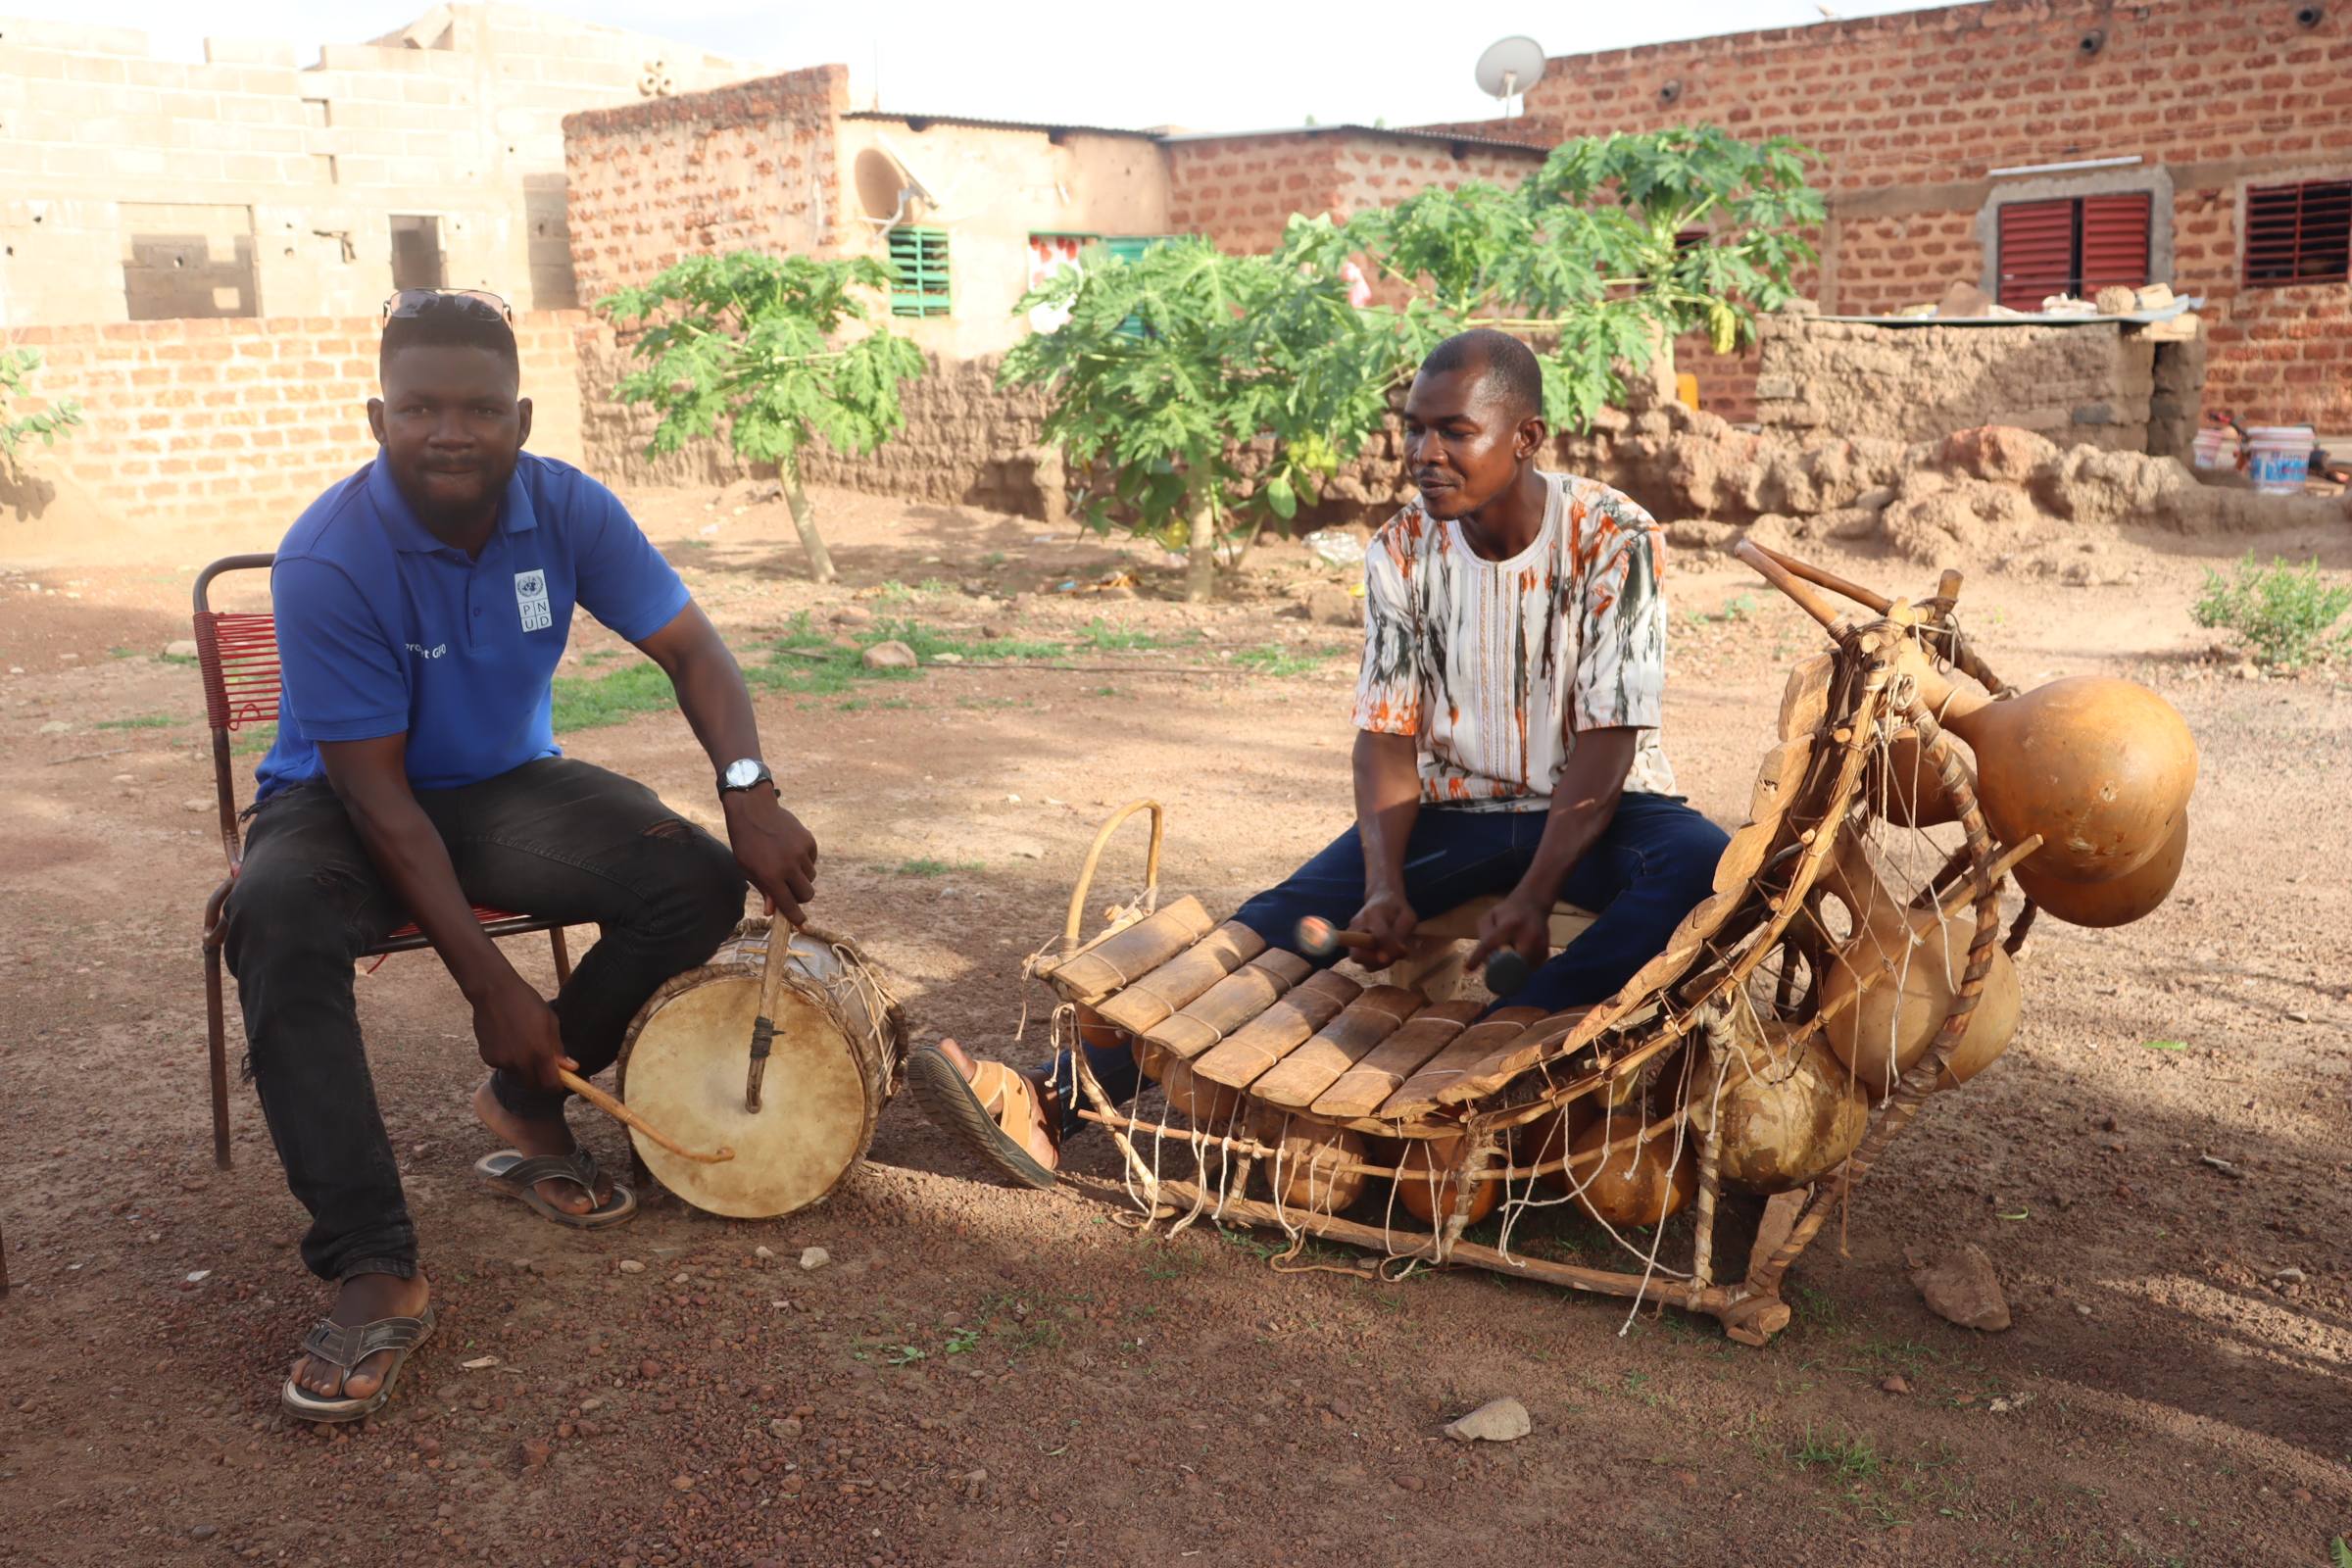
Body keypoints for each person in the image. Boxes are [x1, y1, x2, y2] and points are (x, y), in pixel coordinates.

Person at [908, 328, 1728, 1187]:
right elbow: (1386, 735)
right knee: (1270, 927)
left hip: (1605, 809)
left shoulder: (1614, 535)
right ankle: (1053, 1099)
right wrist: (1382, 885)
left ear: (1526, 438)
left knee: (1704, 870)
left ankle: (1502, 1053)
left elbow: (1609, 739)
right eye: (1413, 429)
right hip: (1456, 812)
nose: (1424, 453)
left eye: (1454, 431)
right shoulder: (1400, 549)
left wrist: (1533, 894)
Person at [221, 289, 820, 1420]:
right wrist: (493, 984)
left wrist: (749, 792)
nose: (451, 433)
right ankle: (372, 1259)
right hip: (343, 803)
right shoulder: (327, 557)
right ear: (377, 418)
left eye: (481, 408)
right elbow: (379, 800)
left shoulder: (566, 509)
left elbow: (694, 649)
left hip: (499, 786)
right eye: (420, 408)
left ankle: (522, 1102)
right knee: (276, 914)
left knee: (693, 876)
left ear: (523, 418)